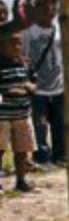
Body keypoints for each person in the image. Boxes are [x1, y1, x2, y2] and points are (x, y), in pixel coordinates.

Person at [22, 0, 65, 166]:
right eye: (42, 5)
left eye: (51, 5)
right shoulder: (28, 31)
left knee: (60, 124)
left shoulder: (61, 29)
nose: (48, 9)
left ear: (56, 8)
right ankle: (41, 157)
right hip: (37, 87)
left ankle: (60, 156)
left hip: (59, 86)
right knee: (39, 126)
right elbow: (22, 56)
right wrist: (26, 82)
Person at [0, 31, 37, 193]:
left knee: (22, 149)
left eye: (19, 43)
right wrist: (10, 90)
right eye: (12, 43)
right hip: (3, 116)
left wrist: (31, 87)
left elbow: (34, 83)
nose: (16, 47)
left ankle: (21, 180)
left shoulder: (25, 64)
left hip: (23, 114)